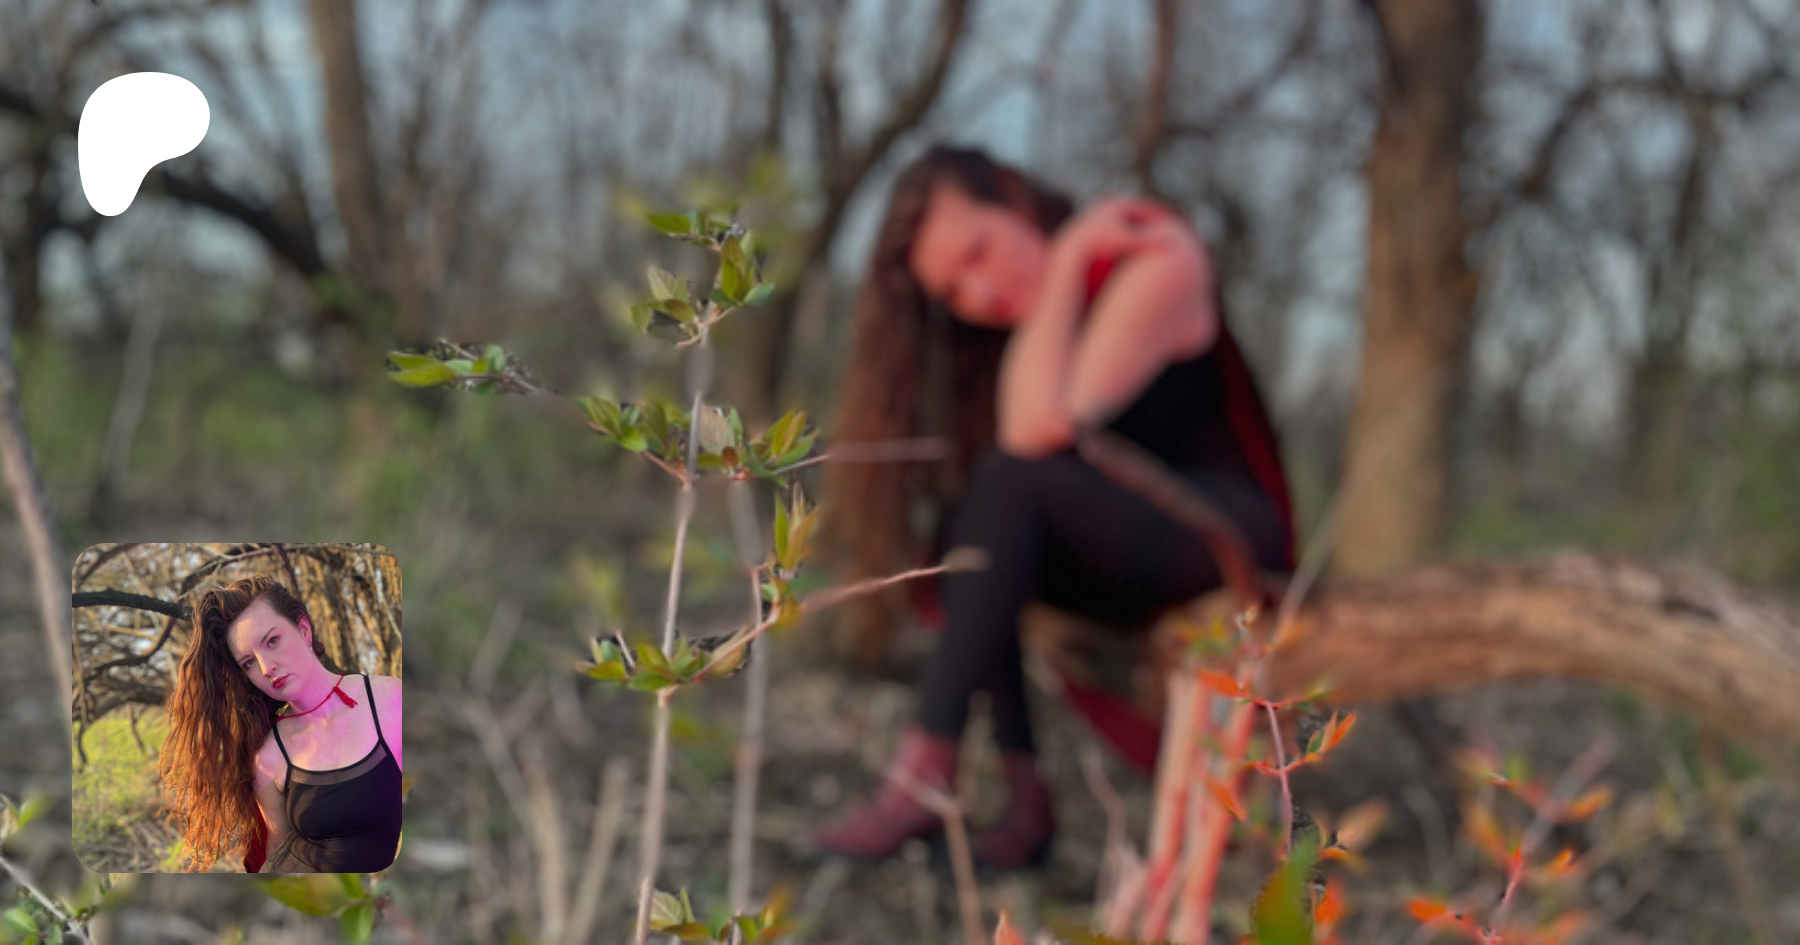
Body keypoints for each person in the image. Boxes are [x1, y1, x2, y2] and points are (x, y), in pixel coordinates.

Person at [817, 145, 1295, 870]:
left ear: (1013, 196)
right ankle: (1024, 795)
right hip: (1131, 540)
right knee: (967, 527)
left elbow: (1039, 430)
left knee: (1006, 482)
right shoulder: (1035, 326)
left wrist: (1069, 254)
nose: (980, 291)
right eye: (953, 291)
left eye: (978, 251)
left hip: (1229, 536)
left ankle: (923, 776)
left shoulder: (1154, 254)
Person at [160, 576, 403, 872]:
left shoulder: (389, 699)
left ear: (303, 629)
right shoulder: (269, 755)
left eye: (272, 641)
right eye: (249, 662)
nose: (266, 668)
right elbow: (276, 849)